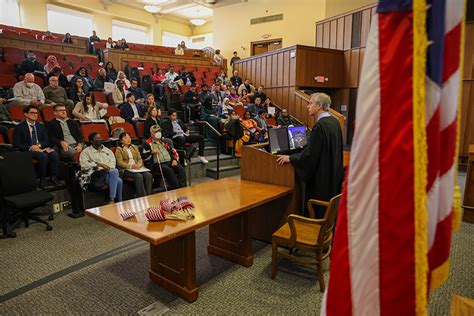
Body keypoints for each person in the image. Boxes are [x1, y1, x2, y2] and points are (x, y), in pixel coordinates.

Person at [277, 93, 343, 217]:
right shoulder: (334, 122)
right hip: (332, 174)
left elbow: (311, 155)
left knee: (318, 211)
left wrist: (290, 158)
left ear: (319, 106)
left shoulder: (320, 126)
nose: (307, 106)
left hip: (321, 180)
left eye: (310, 103)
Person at [13, 105, 59, 188]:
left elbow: (46, 141)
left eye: (36, 113)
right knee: (43, 156)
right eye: (32, 113)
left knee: (54, 154)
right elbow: (16, 144)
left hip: (40, 148)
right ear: (26, 114)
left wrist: (39, 145)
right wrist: (31, 147)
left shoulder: (41, 126)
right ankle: (42, 179)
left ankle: (53, 177)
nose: (35, 115)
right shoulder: (19, 127)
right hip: (27, 150)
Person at [80, 132, 123, 204]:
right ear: (91, 141)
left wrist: (107, 168)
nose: (99, 140)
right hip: (96, 176)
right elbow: (84, 165)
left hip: (108, 173)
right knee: (116, 175)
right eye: (97, 138)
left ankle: (113, 200)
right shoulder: (86, 152)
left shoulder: (108, 151)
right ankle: (117, 201)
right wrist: (99, 165)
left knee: (118, 180)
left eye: (100, 138)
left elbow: (113, 163)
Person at [144, 125, 186, 190]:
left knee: (180, 169)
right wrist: (151, 151)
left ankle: (183, 188)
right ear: (152, 134)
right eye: (156, 132)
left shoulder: (164, 142)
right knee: (169, 170)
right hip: (157, 164)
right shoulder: (147, 143)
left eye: (159, 131)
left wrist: (174, 160)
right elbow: (144, 156)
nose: (158, 133)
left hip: (169, 162)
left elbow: (172, 152)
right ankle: (177, 189)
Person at [115, 132, 152, 197]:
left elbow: (140, 159)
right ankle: (141, 196)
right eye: (125, 138)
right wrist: (131, 166)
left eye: (129, 137)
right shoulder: (119, 149)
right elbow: (119, 163)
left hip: (137, 168)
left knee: (148, 175)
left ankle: (148, 196)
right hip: (126, 169)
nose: (128, 139)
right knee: (138, 176)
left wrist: (139, 165)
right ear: (121, 141)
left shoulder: (134, 147)